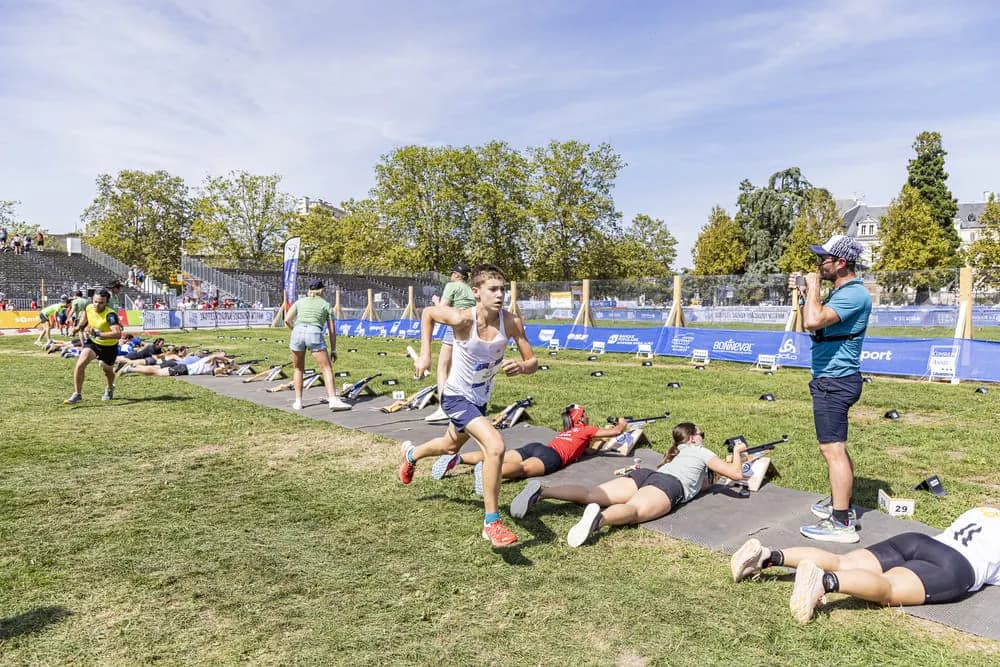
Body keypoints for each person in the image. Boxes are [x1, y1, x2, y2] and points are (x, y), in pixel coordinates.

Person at [402, 264, 538, 548]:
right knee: (495, 446)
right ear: (476, 293)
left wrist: (523, 367)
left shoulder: (511, 321)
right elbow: (428, 313)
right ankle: (492, 523)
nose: (500, 295)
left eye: (502, 289)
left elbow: (533, 361)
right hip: (455, 396)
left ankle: (412, 455)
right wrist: (425, 355)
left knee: (450, 446)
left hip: (480, 399)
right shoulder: (464, 319)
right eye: (493, 289)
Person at [731, 506, 1000, 623]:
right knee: (888, 590)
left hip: (919, 541)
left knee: (842, 561)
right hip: (955, 566)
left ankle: (768, 556)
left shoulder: (983, 511)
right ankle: (824, 582)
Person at [510, 423, 748, 547]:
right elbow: (736, 474)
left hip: (648, 475)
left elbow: (701, 484)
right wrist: (738, 452)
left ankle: (542, 491)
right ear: (694, 437)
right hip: (668, 485)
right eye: (702, 434)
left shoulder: (678, 453)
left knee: (591, 493)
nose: (703, 437)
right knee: (633, 510)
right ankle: (599, 520)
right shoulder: (701, 450)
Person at [789, 234, 871, 544]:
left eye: (823, 259)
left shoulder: (854, 295)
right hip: (831, 379)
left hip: (834, 382)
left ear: (840, 263)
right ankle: (842, 504)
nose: (818, 264)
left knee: (832, 449)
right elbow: (814, 322)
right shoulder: (841, 293)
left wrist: (812, 289)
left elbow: (813, 321)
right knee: (836, 447)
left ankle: (841, 522)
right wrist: (803, 295)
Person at [430, 404, 628, 495]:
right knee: (522, 470)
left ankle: (459, 459)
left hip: (536, 447)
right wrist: (622, 423)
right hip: (552, 456)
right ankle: (489, 472)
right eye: (585, 415)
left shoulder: (568, 431)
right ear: (581, 419)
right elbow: (617, 431)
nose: (588, 418)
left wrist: (595, 444)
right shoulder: (585, 429)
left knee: (496, 455)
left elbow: (588, 451)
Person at [284, 279, 351, 411]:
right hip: (314, 332)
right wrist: (334, 349)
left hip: (297, 331)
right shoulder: (326, 305)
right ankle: (333, 400)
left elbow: (287, 320)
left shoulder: (300, 302)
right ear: (322, 290)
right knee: (326, 368)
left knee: (298, 368)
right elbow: (332, 330)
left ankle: (298, 402)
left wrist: (296, 330)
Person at [423, 264, 477, 423]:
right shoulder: (470, 289)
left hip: (455, 325)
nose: (451, 276)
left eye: (452, 273)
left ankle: (444, 407)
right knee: (460, 367)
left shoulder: (452, 286)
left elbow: (442, 309)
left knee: (443, 367)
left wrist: (436, 302)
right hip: (473, 327)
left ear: (457, 275)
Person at [65, 289, 122, 404]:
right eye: (95, 301)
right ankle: (77, 394)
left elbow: (117, 334)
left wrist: (98, 334)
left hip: (108, 347)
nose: (97, 305)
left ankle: (110, 388)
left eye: (101, 302)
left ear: (106, 302)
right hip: (93, 343)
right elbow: (84, 319)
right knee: (80, 364)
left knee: (108, 371)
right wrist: (77, 328)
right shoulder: (89, 307)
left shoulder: (110, 315)